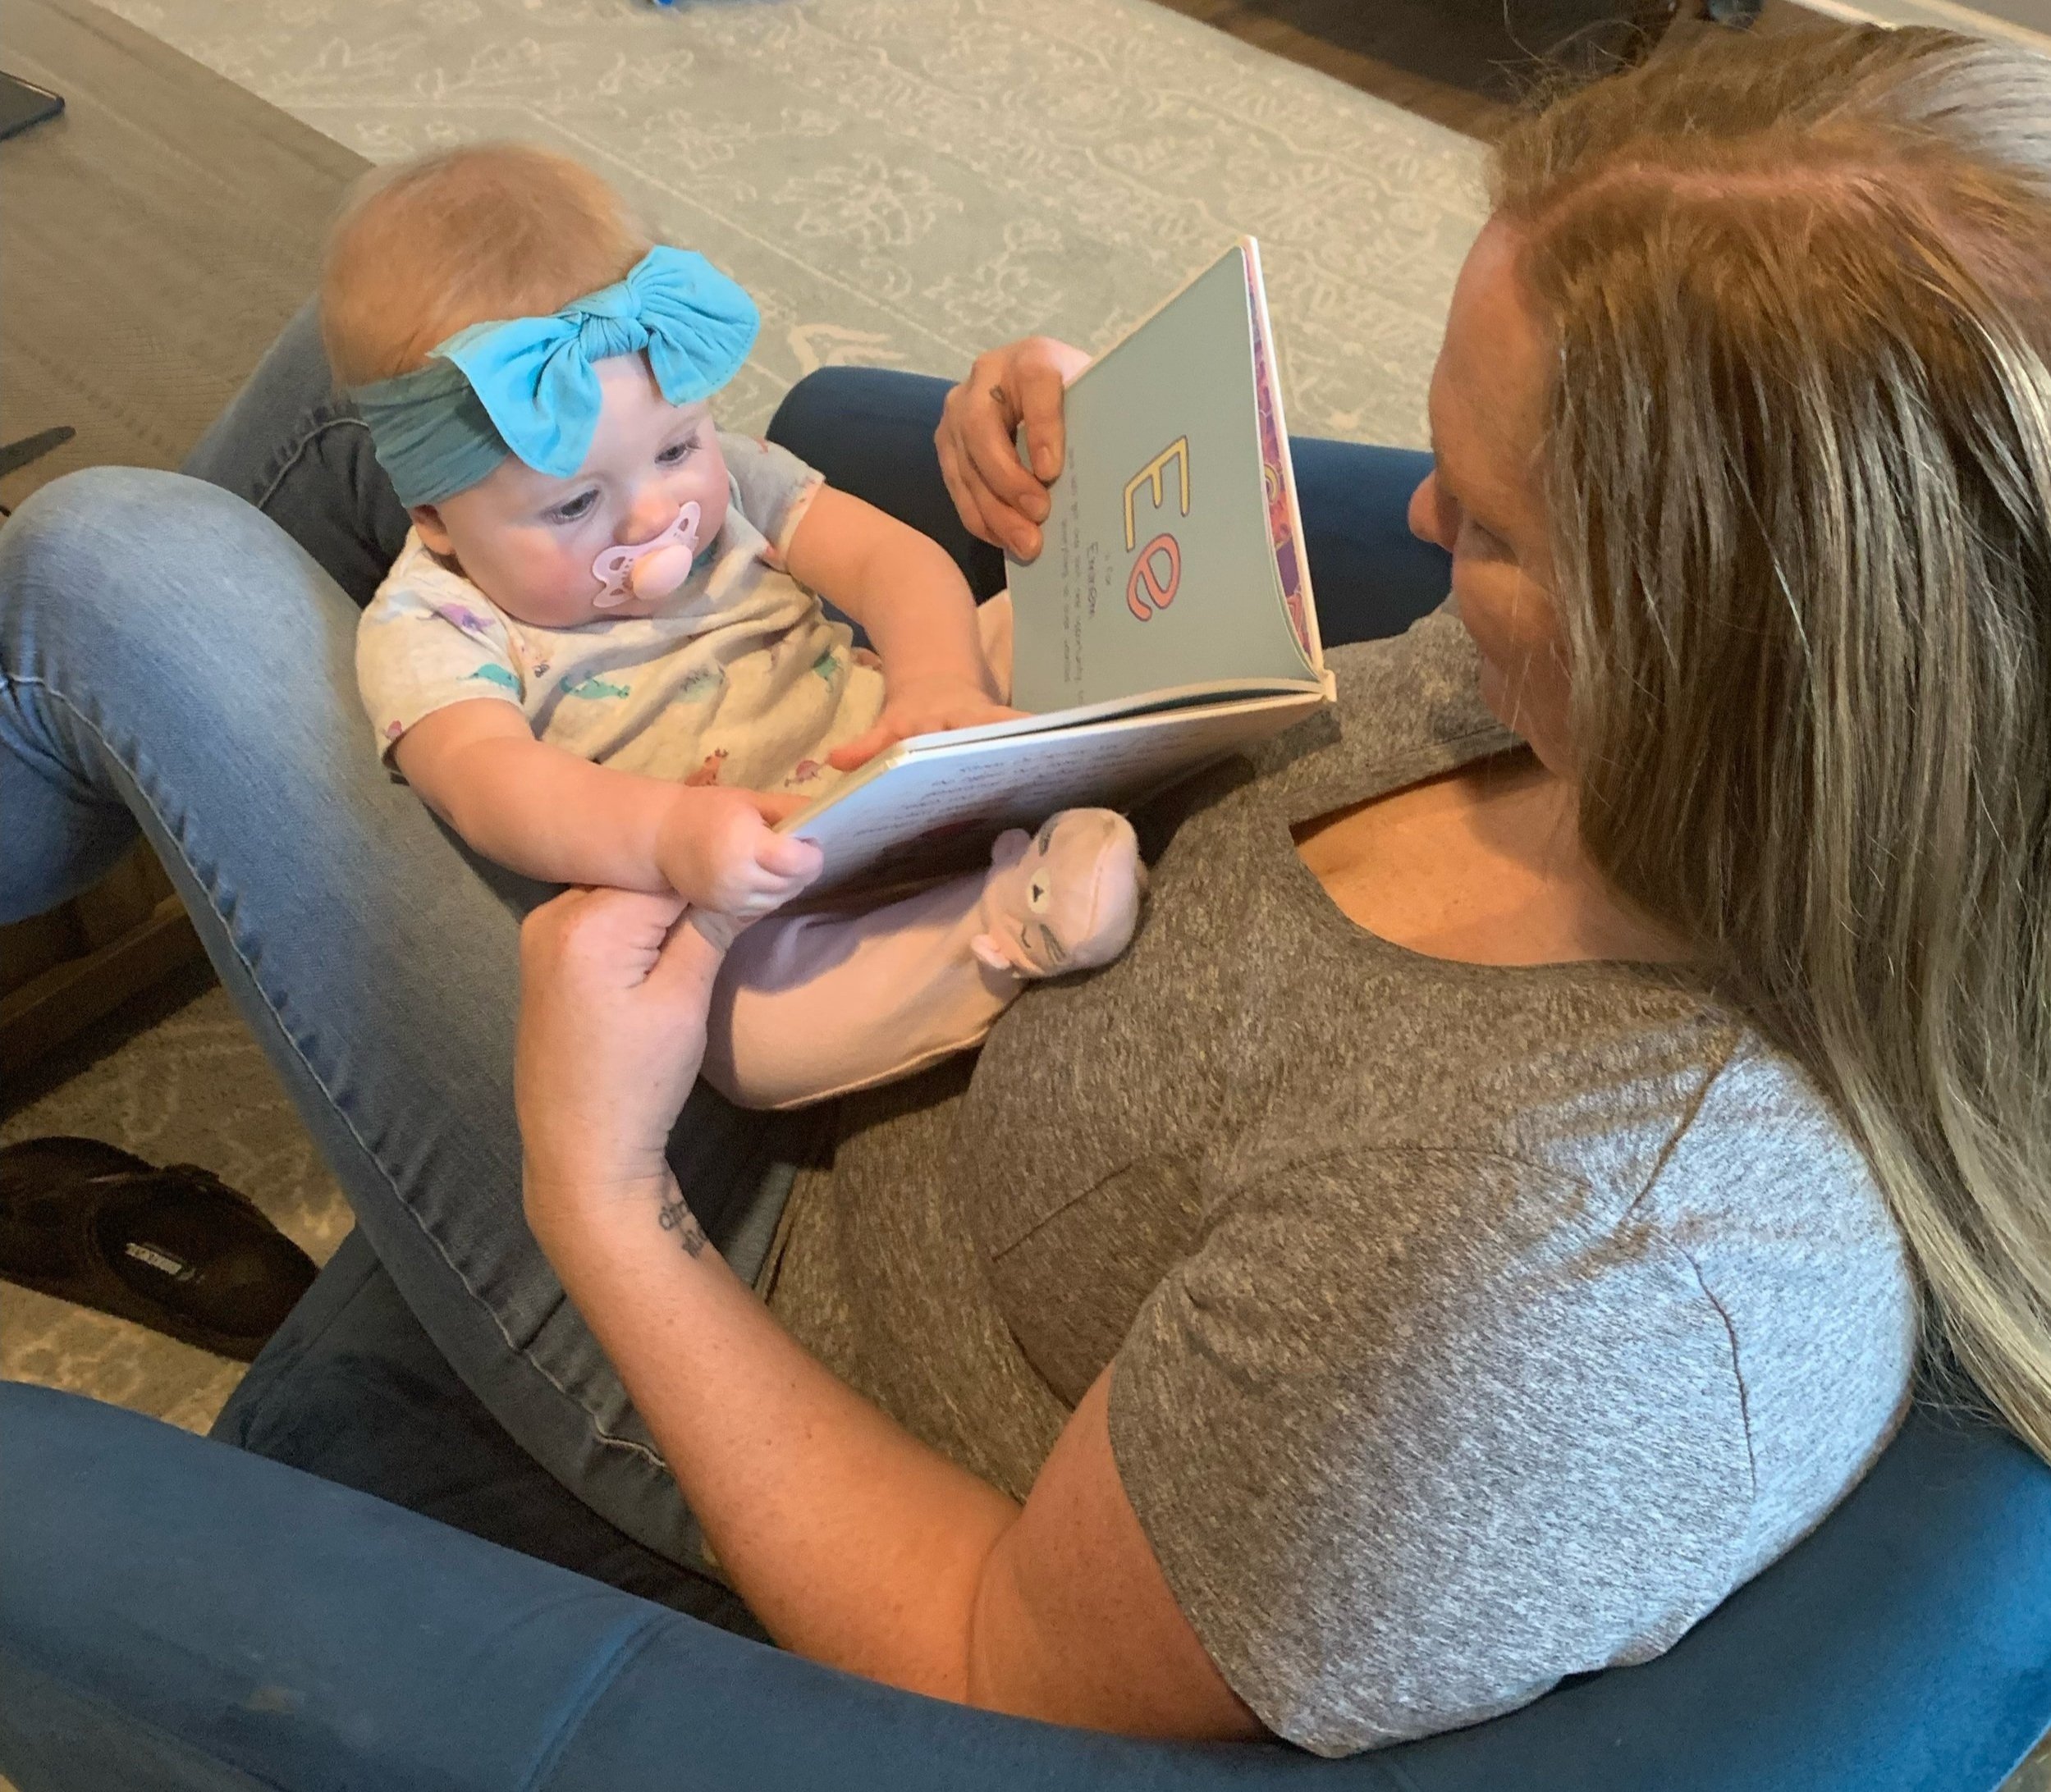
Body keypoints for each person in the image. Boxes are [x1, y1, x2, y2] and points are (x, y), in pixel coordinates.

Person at [1, 20, 2048, 1778]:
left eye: (1490, 524)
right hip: (910, 886)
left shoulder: (1568, 1282)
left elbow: (996, 1668)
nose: (1416, 533)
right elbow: (1277, 737)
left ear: (1740, 675)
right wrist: (1095, 526)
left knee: (116, 564)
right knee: (403, 345)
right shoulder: (1653, 756)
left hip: (742, 1230)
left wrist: (597, 1202)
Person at [328, 144, 1145, 1110]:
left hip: (906, 737)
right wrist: (667, 835)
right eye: (571, 507)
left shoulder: (734, 479)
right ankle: (1018, 911)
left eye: (677, 447)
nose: (654, 519)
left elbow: (894, 562)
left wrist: (935, 681)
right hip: (747, 895)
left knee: (1019, 618)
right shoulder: (432, 622)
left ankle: (1130, 733)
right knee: (755, 1043)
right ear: (433, 519)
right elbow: (491, 787)